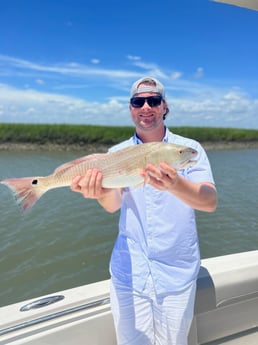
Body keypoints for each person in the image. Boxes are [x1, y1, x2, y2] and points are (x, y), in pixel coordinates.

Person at [71, 77, 217, 345]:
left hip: (176, 274)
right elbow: (113, 205)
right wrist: (100, 192)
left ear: (164, 107)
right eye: (139, 102)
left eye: (154, 100)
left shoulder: (188, 150)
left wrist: (176, 183)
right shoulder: (116, 153)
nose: (146, 106)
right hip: (130, 273)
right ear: (131, 109)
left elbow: (209, 202)